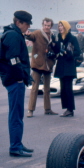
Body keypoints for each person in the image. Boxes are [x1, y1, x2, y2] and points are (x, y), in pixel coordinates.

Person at [0, 10, 34, 157]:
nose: (28, 27)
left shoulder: (13, 33)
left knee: (17, 114)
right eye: (26, 24)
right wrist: (21, 77)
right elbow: (13, 60)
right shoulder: (13, 35)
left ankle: (17, 143)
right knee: (16, 115)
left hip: (14, 79)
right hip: (15, 80)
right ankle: (15, 147)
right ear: (18, 22)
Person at [26, 17, 58, 118]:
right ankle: (30, 110)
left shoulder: (53, 35)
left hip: (48, 64)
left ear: (51, 26)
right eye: (45, 25)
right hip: (37, 64)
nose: (46, 27)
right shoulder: (37, 33)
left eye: (48, 26)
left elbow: (56, 48)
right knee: (34, 89)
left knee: (47, 89)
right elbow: (31, 37)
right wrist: (27, 35)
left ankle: (47, 109)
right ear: (42, 25)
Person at [52, 20, 80, 117]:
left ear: (66, 27)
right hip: (61, 65)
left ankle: (70, 109)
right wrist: (53, 44)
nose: (60, 28)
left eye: (62, 26)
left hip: (69, 66)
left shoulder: (72, 38)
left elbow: (78, 52)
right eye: (59, 26)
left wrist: (68, 53)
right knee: (63, 88)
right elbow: (56, 50)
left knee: (68, 89)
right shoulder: (58, 38)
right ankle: (66, 108)